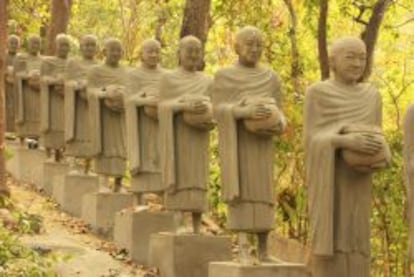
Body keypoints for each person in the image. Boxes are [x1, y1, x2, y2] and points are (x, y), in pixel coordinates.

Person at [304, 37, 390, 277]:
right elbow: (311, 140)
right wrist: (344, 141)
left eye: (362, 57)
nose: (357, 63)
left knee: (358, 237)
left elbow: (376, 134)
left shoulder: (372, 96)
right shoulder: (318, 93)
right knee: (336, 235)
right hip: (331, 181)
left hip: (360, 181)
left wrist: (381, 151)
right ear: (333, 61)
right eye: (350, 57)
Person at [212, 26, 286, 263]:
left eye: (259, 45)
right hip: (239, 145)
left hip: (262, 146)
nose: (254, 49)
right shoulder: (225, 76)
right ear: (237, 47)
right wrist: (243, 111)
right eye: (249, 44)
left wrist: (278, 122)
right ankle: (243, 246)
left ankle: (264, 250)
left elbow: (281, 114)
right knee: (243, 192)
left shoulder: (271, 78)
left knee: (264, 195)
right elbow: (218, 110)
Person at [158, 36, 214, 233]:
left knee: (198, 178)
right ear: (179, 53)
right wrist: (182, 105)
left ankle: (198, 224)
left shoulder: (207, 80)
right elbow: (162, 106)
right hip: (178, 135)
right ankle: (179, 221)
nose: (193, 54)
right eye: (189, 50)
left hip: (199, 137)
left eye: (197, 50)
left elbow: (215, 105)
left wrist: (210, 116)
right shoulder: (168, 79)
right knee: (181, 176)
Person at [126, 39, 167, 205]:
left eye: (157, 51)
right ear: (142, 54)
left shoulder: (167, 76)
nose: (154, 55)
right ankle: (138, 199)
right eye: (150, 51)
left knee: (161, 160)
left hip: (161, 124)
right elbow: (128, 100)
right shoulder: (133, 75)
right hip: (141, 126)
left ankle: (163, 198)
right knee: (143, 160)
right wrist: (143, 98)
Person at [87, 38, 128, 192]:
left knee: (121, 149)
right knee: (104, 147)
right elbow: (90, 91)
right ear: (104, 52)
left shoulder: (127, 72)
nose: (116, 53)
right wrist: (105, 93)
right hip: (103, 117)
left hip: (121, 116)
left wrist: (122, 95)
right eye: (113, 50)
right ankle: (102, 182)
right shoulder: (95, 71)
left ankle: (118, 183)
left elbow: (132, 91)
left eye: (119, 50)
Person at [64, 35, 99, 174]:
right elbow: (67, 82)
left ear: (97, 48)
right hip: (77, 105)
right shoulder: (73, 63)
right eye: (87, 45)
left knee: (93, 135)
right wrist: (78, 85)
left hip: (92, 105)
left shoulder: (99, 66)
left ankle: (87, 166)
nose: (90, 48)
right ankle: (72, 164)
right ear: (80, 47)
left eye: (92, 45)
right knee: (76, 132)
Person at [40, 34, 71, 161]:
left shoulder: (72, 63)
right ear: (56, 46)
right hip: (52, 99)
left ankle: (62, 151)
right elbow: (42, 79)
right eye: (62, 45)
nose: (64, 48)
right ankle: (49, 151)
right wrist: (55, 79)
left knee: (65, 126)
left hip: (67, 99)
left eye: (67, 45)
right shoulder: (47, 61)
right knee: (52, 124)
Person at [14, 35, 43, 147]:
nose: (35, 46)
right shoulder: (21, 58)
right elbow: (16, 74)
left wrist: (39, 77)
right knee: (26, 116)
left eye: (37, 43)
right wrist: (27, 76)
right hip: (25, 93)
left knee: (39, 117)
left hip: (39, 92)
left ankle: (38, 141)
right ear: (28, 45)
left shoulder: (44, 60)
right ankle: (22, 140)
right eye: (33, 43)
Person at [5, 35, 20, 134]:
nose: (13, 45)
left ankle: (13, 129)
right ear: (7, 43)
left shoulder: (20, 58)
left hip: (16, 87)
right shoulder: (3, 55)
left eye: (16, 43)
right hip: (4, 86)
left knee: (14, 107)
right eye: (12, 43)